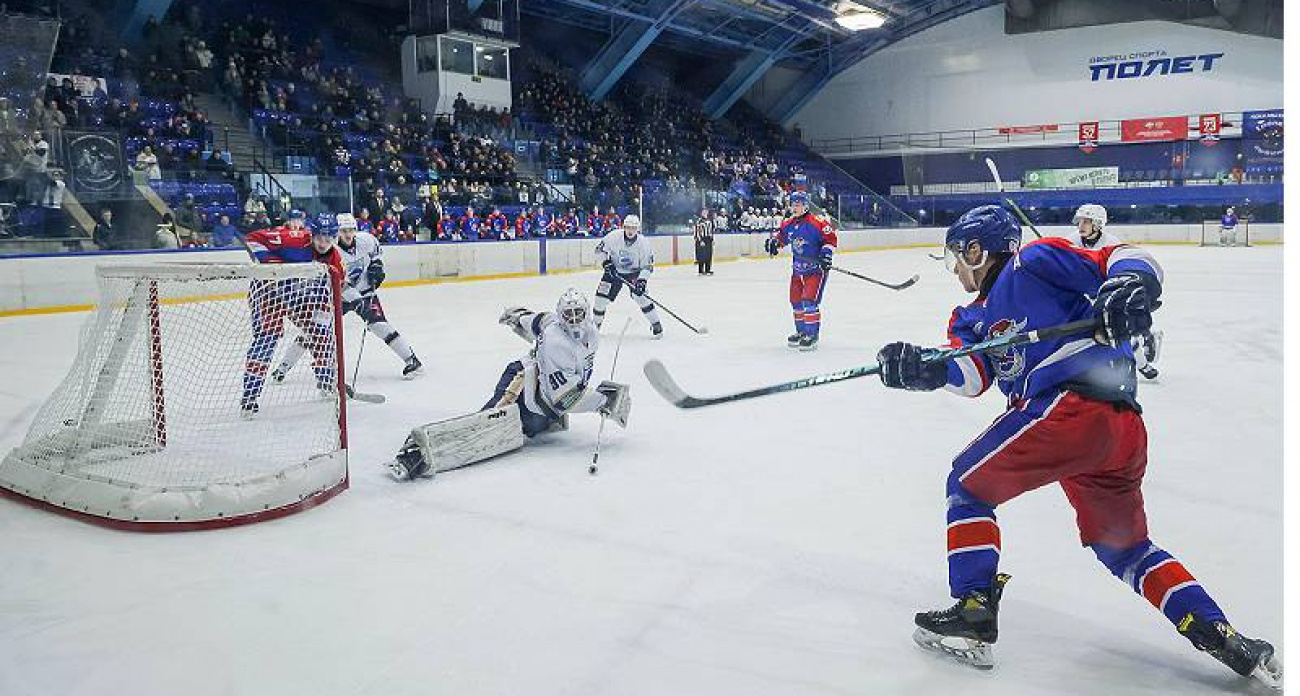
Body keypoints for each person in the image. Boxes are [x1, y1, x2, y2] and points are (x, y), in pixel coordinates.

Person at [873, 205, 1280, 686]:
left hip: (1070, 410)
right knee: (1124, 549)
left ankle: (973, 610)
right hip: (1115, 431)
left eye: (957, 256)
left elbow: (1124, 256)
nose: (955, 268)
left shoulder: (1035, 262)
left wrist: (1129, 287)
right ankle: (1220, 633)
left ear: (977, 250)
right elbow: (973, 374)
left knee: (967, 485)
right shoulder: (971, 317)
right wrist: (927, 368)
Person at [386, 289, 630, 480]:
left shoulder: (584, 331)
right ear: (562, 315)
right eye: (569, 314)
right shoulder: (558, 342)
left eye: (579, 313)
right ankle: (417, 455)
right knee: (484, 426)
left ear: (587, 312)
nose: (575, 319)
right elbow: (564, 398)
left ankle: (529, 424)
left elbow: (537, 321)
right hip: (522, 387)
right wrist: (602, 401)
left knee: (524, 429)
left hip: (542, 411)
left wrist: (518, 316)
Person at [272, 213, 423, 382]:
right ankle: (283, 367)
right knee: (313, 331)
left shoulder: (367, 240)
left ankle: (412, 360)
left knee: (379, 325)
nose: (348, 234)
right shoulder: (332, 250)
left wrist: (377, 265)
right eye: (343, 230)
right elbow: (341, 283)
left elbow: (376, 252)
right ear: (337, 233)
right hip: (338, 297)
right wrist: (356, 301)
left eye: (351, 230)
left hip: (365, 293)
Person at [239, 210, 345, 417]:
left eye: (329, 238)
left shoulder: (335, 259)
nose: (323, 243)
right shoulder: (293, 239)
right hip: (268, 291)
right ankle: (249, 396)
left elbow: (334, 289)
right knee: (267, 339)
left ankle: (326, 382)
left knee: (322, 335)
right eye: (320, 237)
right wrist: (273, 267)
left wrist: (320, 319)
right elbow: (252, 239)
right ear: (311, 234)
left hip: (300, 298)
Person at [1065, 204, 1162, 380]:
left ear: (1098, 224)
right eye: (1079, 221)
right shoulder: (1071, 241)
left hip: (1110, 290)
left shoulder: (1112, 244)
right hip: (1085, 291)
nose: (1081, 226)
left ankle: (1143, 361)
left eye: (1086, 222)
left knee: (1120, 327)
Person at [764, 190, 837, 350]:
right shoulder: (788, 224)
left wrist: (826, 255)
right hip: (797, 270)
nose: (795, 207)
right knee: (796, 301)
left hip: (815, 269)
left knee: (809, 302)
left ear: (805, 206)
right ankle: (802, 332)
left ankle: (812, 335)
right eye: (793, 204)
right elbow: (782, 238)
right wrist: (774, 243)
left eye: (798, 204)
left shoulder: (818, 222)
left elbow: (830, 240)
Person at [593, 214, 662, 339]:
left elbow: (648, 266)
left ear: (638, 229)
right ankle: (595, 327)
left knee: (641, 297)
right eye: (628, 227)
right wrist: (606, 263)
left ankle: (656, 324)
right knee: (600, 299)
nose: (630, 231)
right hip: (613, 272)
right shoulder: (613, 237)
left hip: (634, 273)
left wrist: (642, 281)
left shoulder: (644, 244)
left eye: (634, 228)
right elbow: (599, 251)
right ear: (624, 227)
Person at [694, 208, 714, 276]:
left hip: (708, 239)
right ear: (701, 213)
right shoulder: (699, 221)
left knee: (709, 255)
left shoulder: (709, 220)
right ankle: (700, 271)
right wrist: (700, 240)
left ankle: (707, 270)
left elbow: (710, 231)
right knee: (701, 255)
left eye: (706, 212)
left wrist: (712, 239)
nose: (705, 213)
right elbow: (697, 232)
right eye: (704, 212)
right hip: (702, 239)